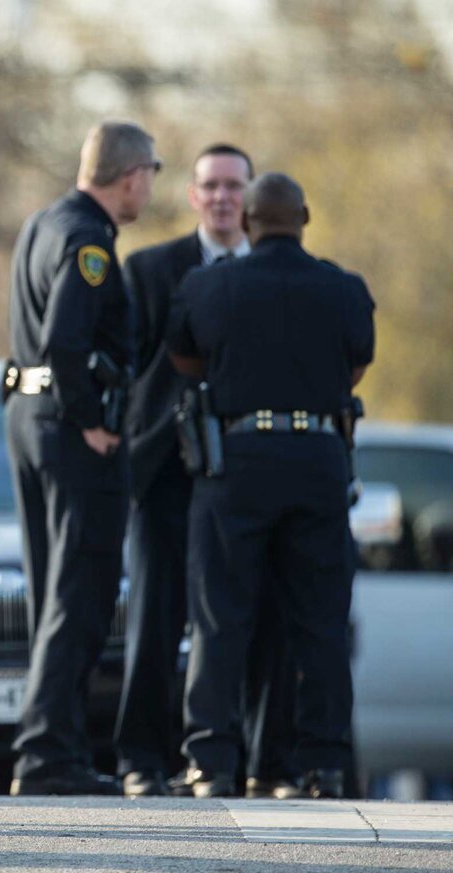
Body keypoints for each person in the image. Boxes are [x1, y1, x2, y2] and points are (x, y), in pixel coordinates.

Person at [166, 172, 375, 798]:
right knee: (320, 621)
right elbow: (358, 364)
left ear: (249, 222)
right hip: (319, 456)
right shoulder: (344, 288)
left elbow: (186, 358)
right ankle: (325, 765)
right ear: (304, 217)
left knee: (219, 616)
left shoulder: (208, 284)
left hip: (238, 458)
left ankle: (212, 763)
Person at [116, 144, 299, 798]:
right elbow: (131, 369)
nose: (222, 197)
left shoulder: (283, 275)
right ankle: (142, 758)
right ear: (192, 196)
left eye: (234, 187)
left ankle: (253, 760)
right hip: (166, 474)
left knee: (252, 620)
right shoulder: (147, 270)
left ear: (251, 201)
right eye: (210, 186)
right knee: (155, 620)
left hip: (250, 478)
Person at [4, 121, 158, 796]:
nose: (149, 187)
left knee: (52, 589)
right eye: (150, 174)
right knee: (81, 592)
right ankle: (46, 753)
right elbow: (68, 341)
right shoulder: (89, 239)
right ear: (131, 176)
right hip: (71, 431)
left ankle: (53, 745)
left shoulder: (44, 222)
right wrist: (93, 419)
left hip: (29, 418)